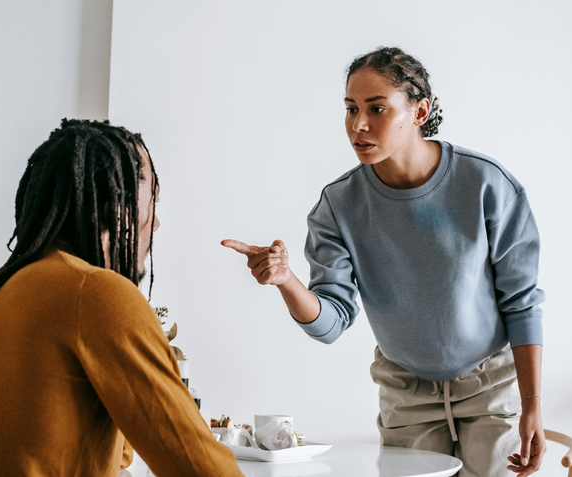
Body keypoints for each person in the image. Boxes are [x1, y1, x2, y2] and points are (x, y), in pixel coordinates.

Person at [223, 47, 546, 477]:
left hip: (491, 388)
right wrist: (286, 280)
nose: (358, 124)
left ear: (420, 112)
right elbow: (331, 323)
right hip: (405, 395)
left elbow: (521, 303)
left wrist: (532, 404)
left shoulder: (486, 183)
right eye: (351, 108)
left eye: (377, 109)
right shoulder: (338, 206)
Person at [0, 119, 243, 477]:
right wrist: (125, 302)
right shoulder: (97, 295)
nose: (155, 224)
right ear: (114, 208)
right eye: (152, 201)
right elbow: (201, 468)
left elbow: (116, 457)